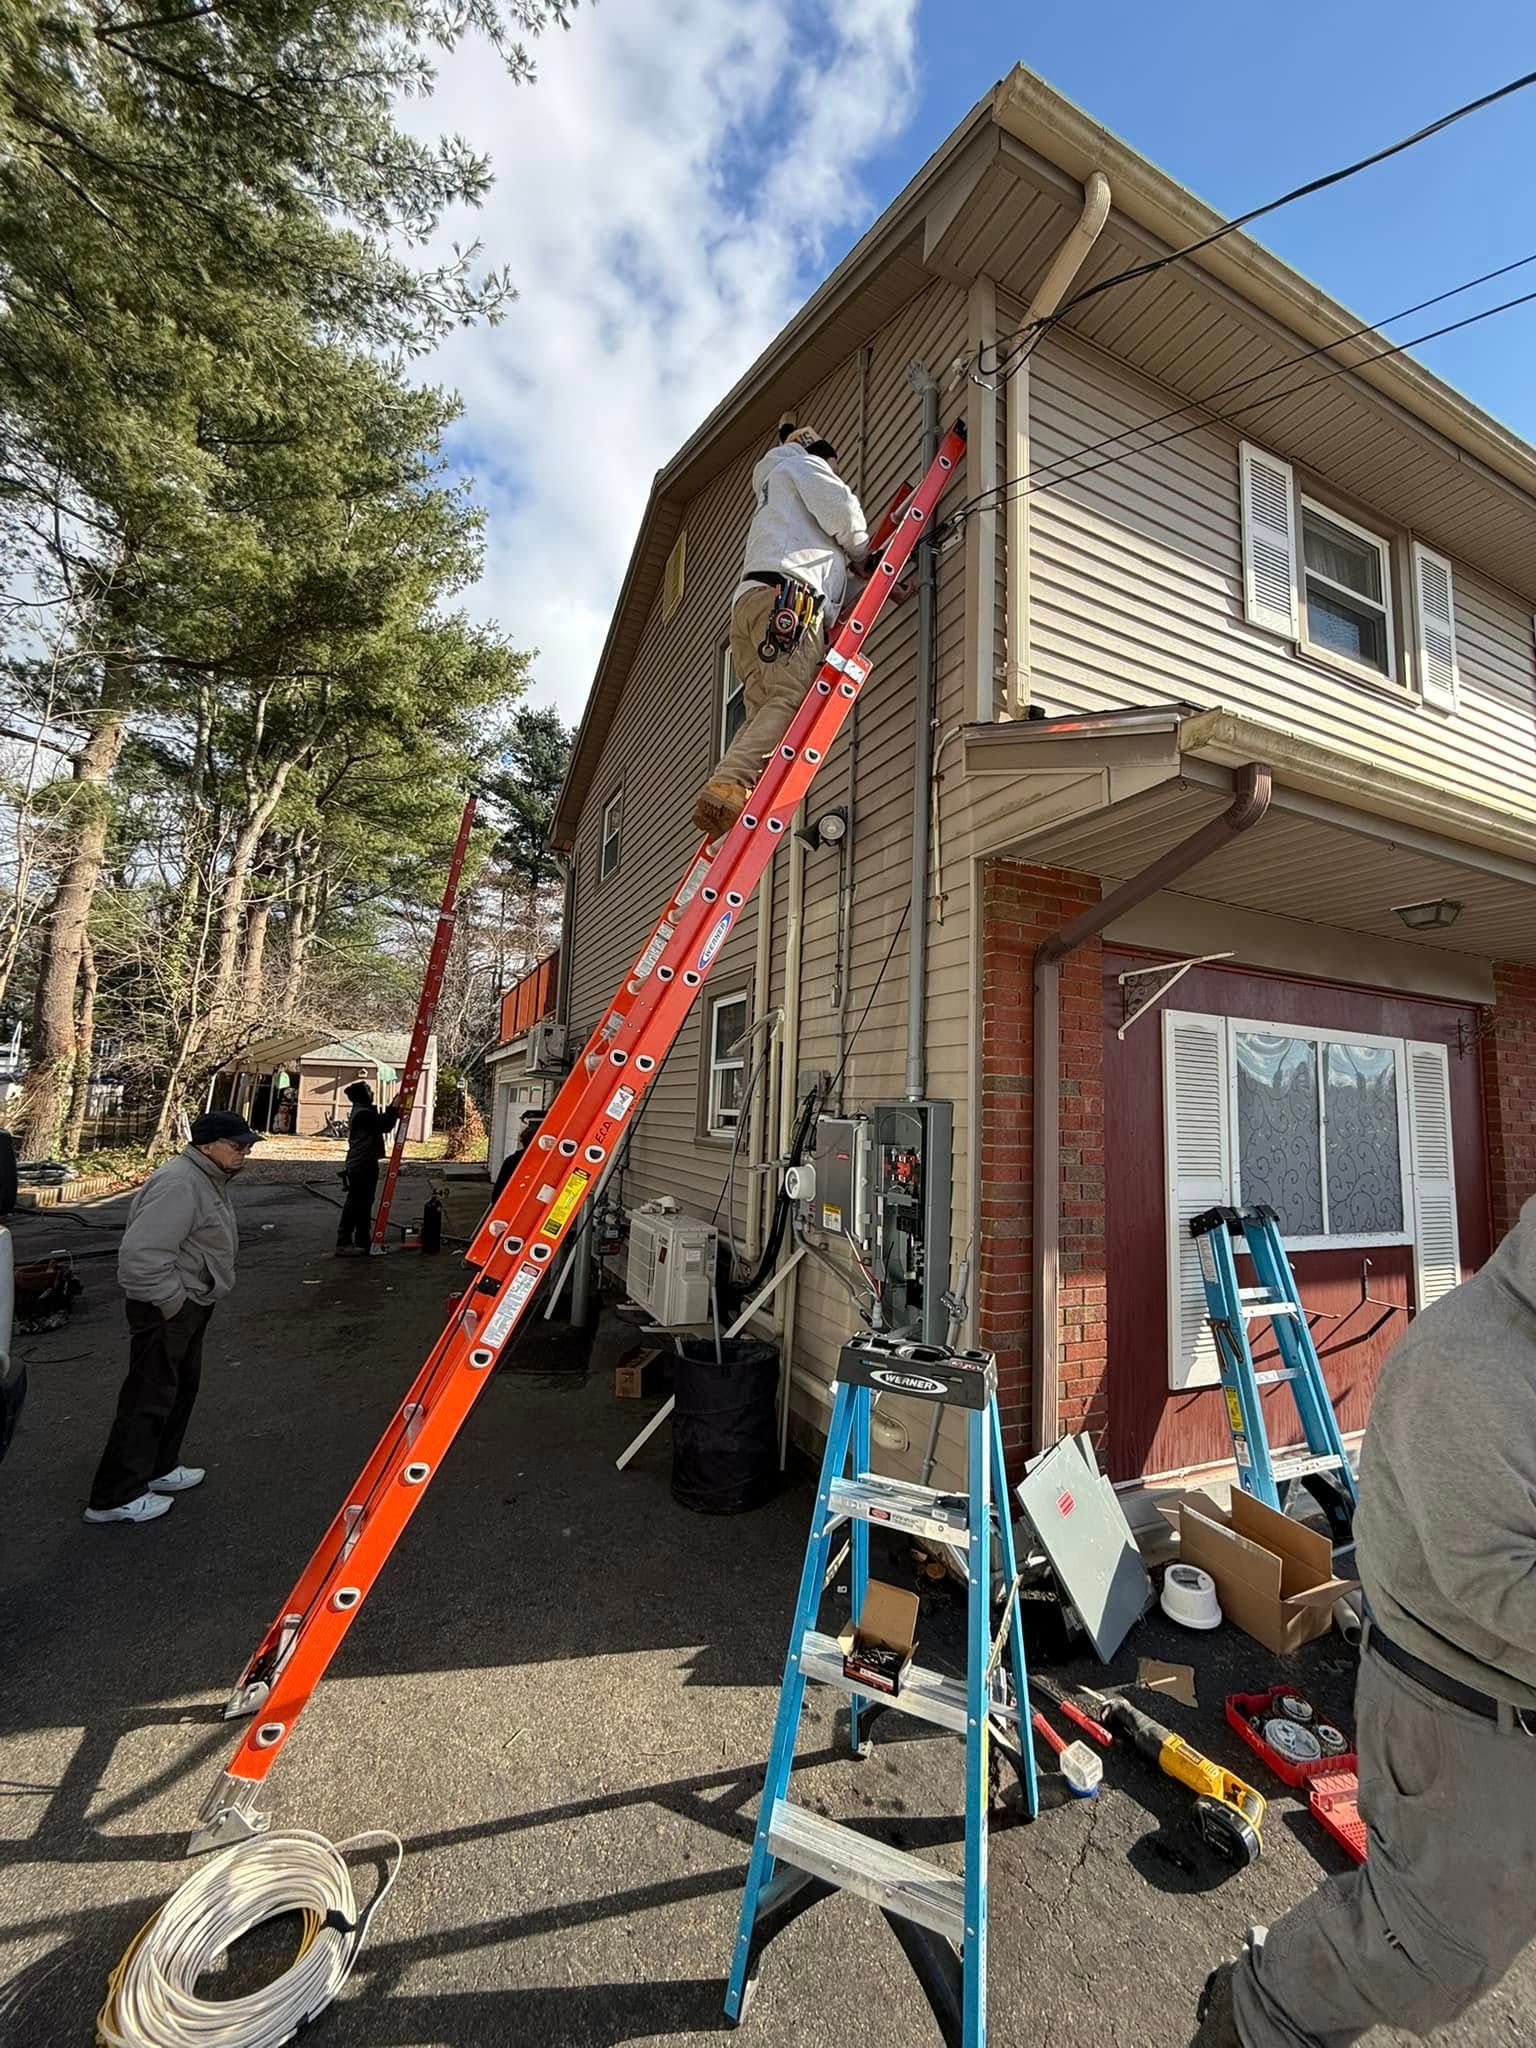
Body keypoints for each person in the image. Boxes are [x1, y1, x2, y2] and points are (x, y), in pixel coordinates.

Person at [1191, 1197, 1536, 2047]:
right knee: (1428, 1954)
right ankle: (1257, 2011)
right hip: (1458, 1702)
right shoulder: (1467, 1362)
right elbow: (1497, 1576)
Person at [691, 420, 872, 840]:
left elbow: (822, 564)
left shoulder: (774, 493)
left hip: (752, 605)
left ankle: (738, 790)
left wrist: (851, 575)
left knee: (764, 711)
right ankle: (727, 783)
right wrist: (862, 551)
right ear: (819, 454)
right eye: (830, 463)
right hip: (788, 601)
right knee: (790, 699)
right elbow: (841, 508)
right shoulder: (803, 468)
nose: (833, 470)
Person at [84, 1108, 260, 1524]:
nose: (245, 1153)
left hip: (189, 1301)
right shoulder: (182, 1183)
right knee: (149, 1395)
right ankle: (114, 1495)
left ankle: (159, 1468)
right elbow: (140, 1256)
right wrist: (172, 1301)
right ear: (206, 1145)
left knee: (178, 1387)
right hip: (169, 1306)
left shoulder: (206, 1177)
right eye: (237, 1146)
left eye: (248, 1146)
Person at [335, 1077, 401, 1254]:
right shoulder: (363, 1115)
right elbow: (385, 1124)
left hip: (364, 1162)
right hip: (361, 1163)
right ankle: (345, 1242)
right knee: (357, 1203)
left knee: (364, 1204)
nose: (372, 1093)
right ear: (363, 1096)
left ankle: (362, 1241)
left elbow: (382, 1122)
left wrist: (393, 1109)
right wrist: (394, 1107)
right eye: (369, 1091)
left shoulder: (363, 1112)